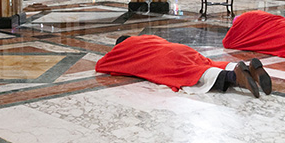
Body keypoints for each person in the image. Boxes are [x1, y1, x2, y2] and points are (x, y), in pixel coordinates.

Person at [95, 34, 271, 98]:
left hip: (166, 59)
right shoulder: (147, 38)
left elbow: (101, 64)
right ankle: (248, 69)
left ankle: (236, 78)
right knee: (207, 62)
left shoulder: (124, 50)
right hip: (179, 49)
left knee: (194, 73)